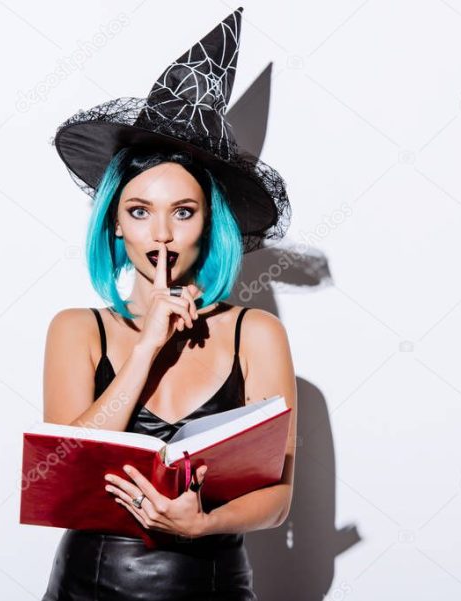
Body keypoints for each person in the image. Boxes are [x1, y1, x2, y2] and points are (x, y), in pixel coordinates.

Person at [39, 8, 296, 600]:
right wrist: (147, 347)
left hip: (214, 585)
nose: (161, 234)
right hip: (90, 586)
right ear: (114, 228)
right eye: (139, 211)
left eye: (182, 212)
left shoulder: (255, 334)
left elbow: (277, 501)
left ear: (209, 228)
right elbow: (61, 472)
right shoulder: (78, 330)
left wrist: (204, 522)